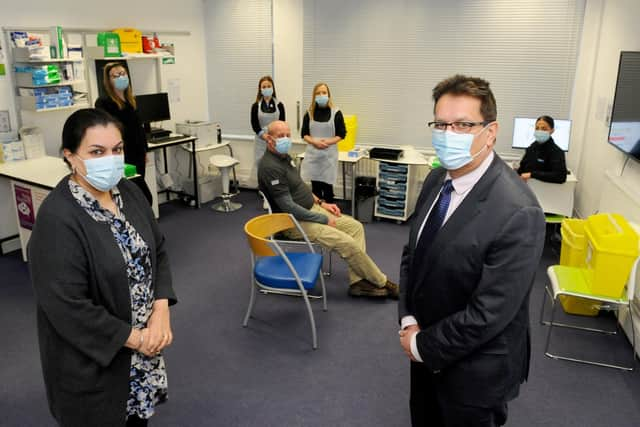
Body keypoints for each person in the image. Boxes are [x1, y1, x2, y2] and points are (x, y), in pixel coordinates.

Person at [398, 75, 545, 427]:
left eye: (463, 124)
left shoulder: (518, 211)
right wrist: (408, 318)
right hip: (423, 347)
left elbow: (489, 312)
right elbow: (413, 255)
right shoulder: (437, 180)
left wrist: (423, 346)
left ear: (490, 132)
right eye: (441, 124)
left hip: (475, 373)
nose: (449, 134)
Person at [28, 108, 177, 427]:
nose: (110, 159)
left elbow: (158, 249)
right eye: (97, 152)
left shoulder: (130, 191)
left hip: (142, 355)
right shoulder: (58, 219)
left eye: (117, 150)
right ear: (70, 156)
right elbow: (69, 308)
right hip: (95, 365)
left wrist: (161, 310)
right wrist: (138, 338)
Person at [258, 120, 398, 299]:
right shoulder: (270, 167)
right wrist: (323, 219)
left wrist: (322, 203)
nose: (285, 139)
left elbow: (300, 186)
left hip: (311, 209)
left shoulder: (284, 157)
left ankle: (357, 283)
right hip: (291, 222)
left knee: (355, 227)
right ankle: (383, 282)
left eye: (287, 135)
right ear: (269, 138)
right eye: (280, 136)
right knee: (347, 242)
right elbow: (288, 207)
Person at [95, 62, 153, 204]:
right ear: (109, 80)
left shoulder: (130, 100)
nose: (121, 77)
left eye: (123, 74)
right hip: (122, 154)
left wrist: (144, 150)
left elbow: (138, 127)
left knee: (136, 193)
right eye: (116, 75)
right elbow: (106, 131)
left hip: (137, 153)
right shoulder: (103, 102)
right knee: (140, 195)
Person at [300, 82, 346, 203]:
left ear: (328, 95)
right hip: (313, 156)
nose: (321, 95)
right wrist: (314, 142)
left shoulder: (336, 113)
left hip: (328, 157)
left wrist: (327, 142)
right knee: (315, 187)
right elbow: (304, 134)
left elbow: (341, 134)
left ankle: (330, 213)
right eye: (318, 93)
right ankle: (318, 214)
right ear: (314, 96)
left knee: (328, 187)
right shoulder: (309, 113)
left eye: (324, 92)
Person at [517, 115, 567, 183]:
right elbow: (522, 169)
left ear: (552, 130)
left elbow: (560, 176)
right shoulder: (531, 148)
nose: (539, 131)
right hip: (527, 188)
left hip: (544, 190)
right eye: (537, 128)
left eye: (544, 129)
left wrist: (532, 175)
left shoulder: (557, 152)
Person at [251, 75, 286, 166]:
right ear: (260, 90)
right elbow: (255, 125)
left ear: (273, 88)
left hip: (276, 140)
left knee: (275, 166)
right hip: (261, 141)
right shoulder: (255, 106)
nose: (267, 89)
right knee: (261, 166)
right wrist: (264, 136)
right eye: (264, 87)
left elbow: (282, 124)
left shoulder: (280, 105)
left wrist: (275, 137)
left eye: (269, 86)